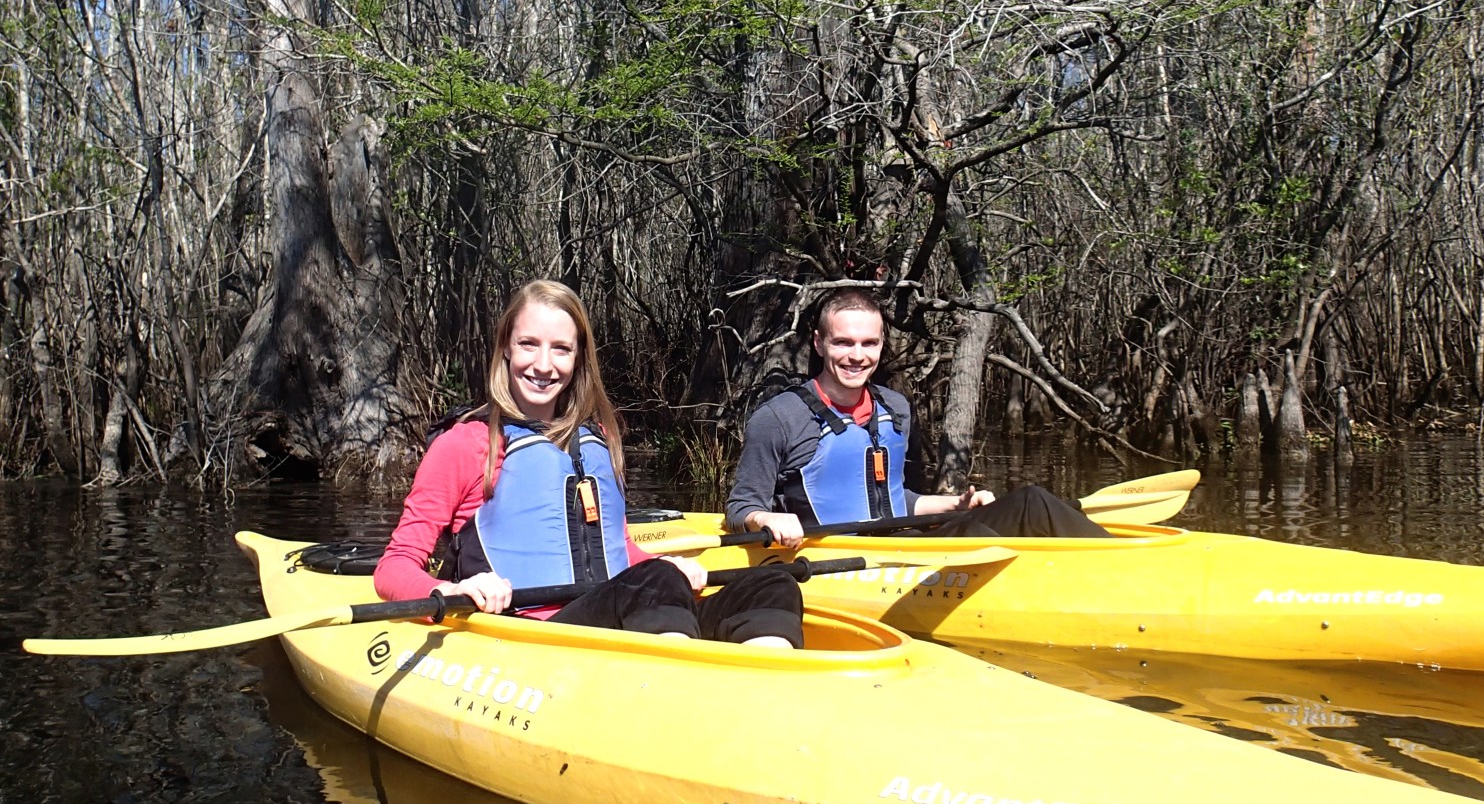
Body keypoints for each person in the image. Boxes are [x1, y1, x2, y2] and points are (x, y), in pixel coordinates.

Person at [376, 279, 803, 648]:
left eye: (560, 349)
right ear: (506, 347)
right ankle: (678, 690)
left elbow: (614, 550)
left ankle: (765, 695)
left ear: (578, 357)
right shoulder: (466, 443)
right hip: (534, 634)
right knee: (653, 582)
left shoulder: (600, 441)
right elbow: (394, 567)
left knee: (770, 584)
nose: (543, 365)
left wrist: (662, 566)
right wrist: (451, 589)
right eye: (528, 344)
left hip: (613, 615)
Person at [726, 288, 1113, 548]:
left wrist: (954, 505)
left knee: (1032, 502)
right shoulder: (778, 417)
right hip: (843, 558)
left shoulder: (895, 407)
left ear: (880, 344)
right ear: (819, 343)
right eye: (843, 342)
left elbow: (893, 498)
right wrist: (765, 518)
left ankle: (1132, 566)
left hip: (903, 543)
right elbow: (740, 507)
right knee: (987, 534)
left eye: (869, 343)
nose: (857, 356)